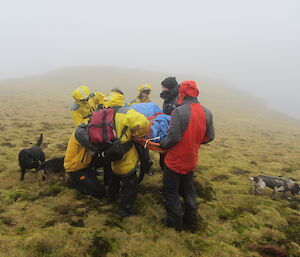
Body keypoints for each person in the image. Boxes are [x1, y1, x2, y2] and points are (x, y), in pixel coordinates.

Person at [159, 80, 215, 231]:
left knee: (171, 191)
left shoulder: (179, 111)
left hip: (174, 160)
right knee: (188, 188)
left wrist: (163, 144)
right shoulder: (207, 112)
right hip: (191, 159)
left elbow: (174, 137)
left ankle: (175, 221)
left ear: (182, 93)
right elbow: (210, 136)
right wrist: (194, 142)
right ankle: (191, 218)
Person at [105, 89, 149, 217]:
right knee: (130, 181)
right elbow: (143, 122)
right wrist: (137, 134)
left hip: (111, 150)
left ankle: (110, 197)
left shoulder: (104, 112)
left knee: (114, 174)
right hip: (125, 151)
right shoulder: (126, 113)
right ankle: (125, 209)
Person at [64, 131, 106, 199]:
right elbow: (96, 147)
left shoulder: (88, 130)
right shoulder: (80, 134)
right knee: (100, 192)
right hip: (76, 169)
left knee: (106, 159)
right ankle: (74, 182)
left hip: (86, 165)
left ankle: (89, 177)